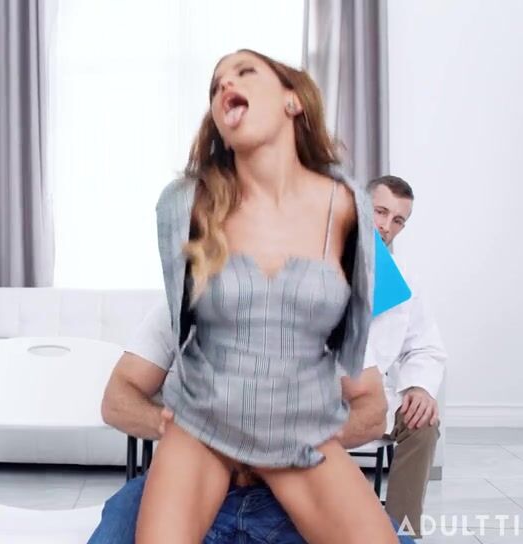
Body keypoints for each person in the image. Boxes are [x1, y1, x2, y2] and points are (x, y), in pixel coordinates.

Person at [136, 49, 396, 543]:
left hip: (302, 427)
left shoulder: (348, 207)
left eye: (245, 71)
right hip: (203, 423)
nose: (224, 85)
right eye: (215, 84)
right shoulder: (185, 204)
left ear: (292, 101)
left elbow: (355, 349)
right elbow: (178, 321)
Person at [89, 302, 418, 543]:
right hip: (189, 482)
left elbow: (372, 410)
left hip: (295, 485)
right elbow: (117, 398)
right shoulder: (178, 308)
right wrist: (175, 426)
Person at [366, 175, 447, 538]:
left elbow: (425, 345)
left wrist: (419, 387)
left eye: (398, 220)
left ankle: (401, 533)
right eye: (380, 212)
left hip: (369, 396)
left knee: (423, 423)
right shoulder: (317, 259)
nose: (386, 226)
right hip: (314, 392)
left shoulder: (404, 280)